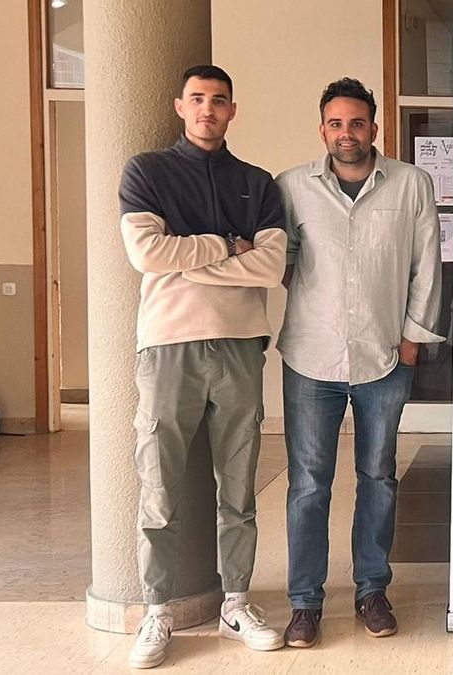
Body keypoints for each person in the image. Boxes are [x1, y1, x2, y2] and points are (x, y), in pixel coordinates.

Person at [120, 65, 287, 669]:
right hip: (168, 345)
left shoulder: (256, 182)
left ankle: (236, 603)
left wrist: (185, 255)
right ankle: (157, 610)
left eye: (219, 100)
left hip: (239, 345)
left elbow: (270, 266)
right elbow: (146, 252)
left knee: (238, 487)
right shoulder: (147, 172)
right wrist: (226, 244)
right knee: (159, 485)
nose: (208, 110)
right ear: (180, 106)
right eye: (197, 99)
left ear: (232, 110)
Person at [274, 77, 443, 648]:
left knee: (379, 477)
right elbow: (283, 261)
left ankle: (372, 589)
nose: (346, 133)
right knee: (308, 484)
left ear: (375, 126)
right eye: (335, 123)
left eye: (356, 123)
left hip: (385, 356)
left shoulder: (411, 183)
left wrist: (413, 338)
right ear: (322, 129)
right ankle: (305, 602)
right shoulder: (292, 186)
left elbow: (426, 263)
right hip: (311, 356)